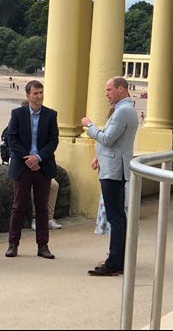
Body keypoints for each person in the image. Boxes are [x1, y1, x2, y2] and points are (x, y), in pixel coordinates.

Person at [81, 76, 138, 276]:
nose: (106, 94)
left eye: (109, 90)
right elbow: (116, 143)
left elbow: (107, 138)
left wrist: (90, 126)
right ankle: (119, 260)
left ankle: (114, 262)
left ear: (121, 89)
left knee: (116, 218)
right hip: (115, 167)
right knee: (119, 217)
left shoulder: (123, 111)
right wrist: (100, 158)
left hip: (114, 171)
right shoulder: (126, 110)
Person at [5, 80, 59, 259]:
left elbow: (53, 140)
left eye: (41, 92)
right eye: (35, 93)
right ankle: (13, 244)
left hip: (43, 166)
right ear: (28, 95)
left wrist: (39, 157)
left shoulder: (51, 115)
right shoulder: (17, 114)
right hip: (23, 165)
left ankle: (43, 246)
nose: (39, 96)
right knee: (18, 205)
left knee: (42, 207)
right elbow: (12, 139)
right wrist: (28, 158)